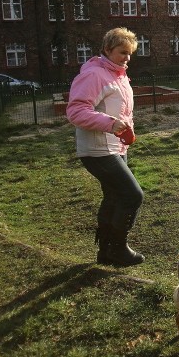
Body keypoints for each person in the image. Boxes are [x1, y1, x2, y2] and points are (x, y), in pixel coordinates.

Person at [66, 27, 144, 266]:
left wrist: (126, 131)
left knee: (113, 197)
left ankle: (106, 251)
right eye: (122, 52)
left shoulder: (118, 75)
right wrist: (110, 124)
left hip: (116, 147)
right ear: (107, 49)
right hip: (97, 149)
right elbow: (76, 111)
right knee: (132, 195)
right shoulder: (94, 74)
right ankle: (118, 249)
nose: (127, 58)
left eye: (130, 53)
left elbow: (119, 111)